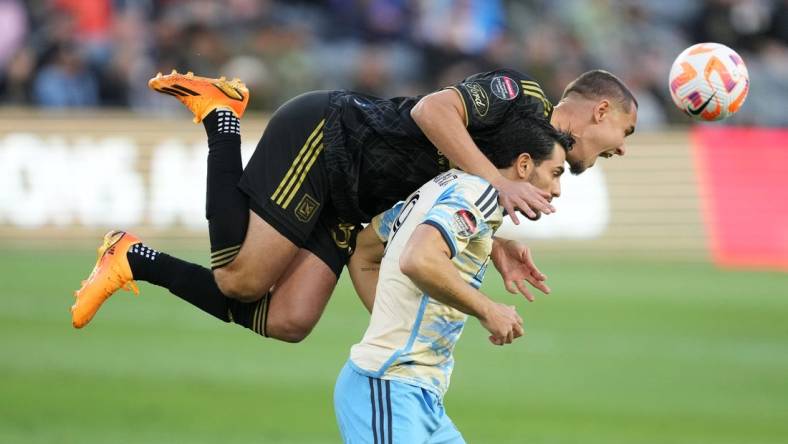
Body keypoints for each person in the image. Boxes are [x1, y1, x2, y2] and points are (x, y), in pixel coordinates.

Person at [71, 68, 637, 344]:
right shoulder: (522, 95)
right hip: (330, 137)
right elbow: (432, 112)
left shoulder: (524, 159)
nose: (622, 147)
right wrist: (496, 182)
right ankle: (222, 117)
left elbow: (444, 193)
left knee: (290, 321)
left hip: (355, 201)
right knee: (240, 281)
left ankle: (132, 258)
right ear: (600, 110)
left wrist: (500, 237)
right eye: (625, 130)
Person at [335, 114, 572, 443]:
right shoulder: (479, 195)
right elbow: (419, 258)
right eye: (556, 173)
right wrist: (488, 309)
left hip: (420, 395)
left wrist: (393, 321)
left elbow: (364, 251)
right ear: (523, 165)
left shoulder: (444, 185)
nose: (557, 190)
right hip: (389, 387)